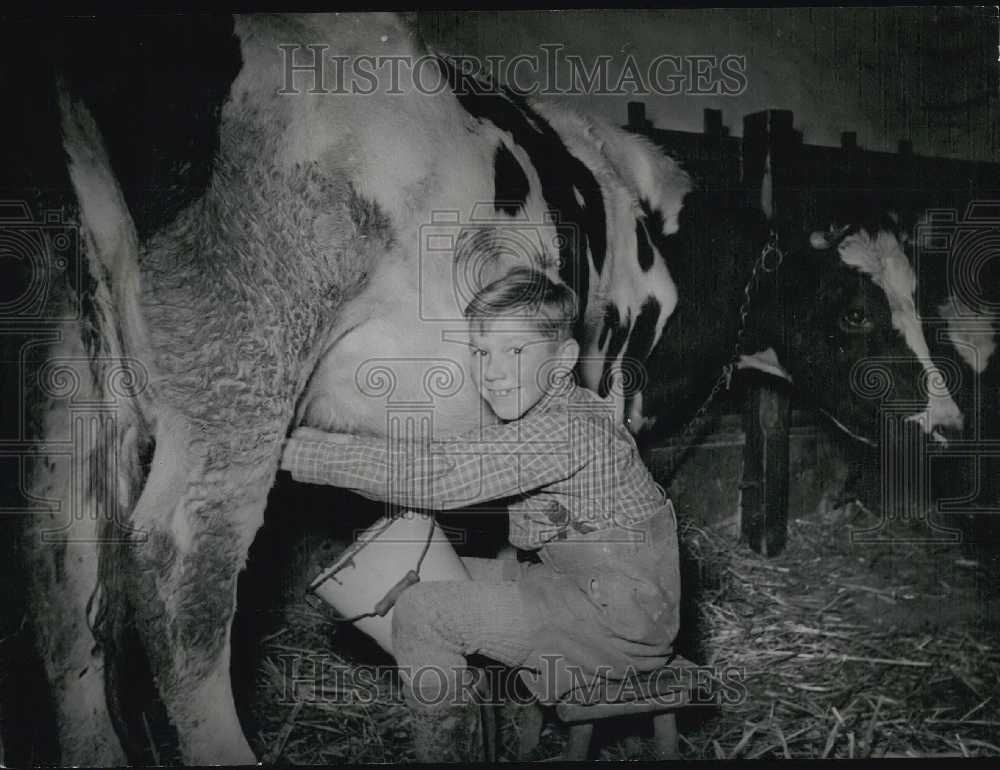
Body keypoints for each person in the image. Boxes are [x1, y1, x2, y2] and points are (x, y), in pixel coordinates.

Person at [281, 267, 681, 762]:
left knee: (422, 612)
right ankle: (471, 719)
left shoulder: (567, 432)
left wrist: (294, 451)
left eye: (513, 352)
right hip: (589, 592)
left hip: (620, 628)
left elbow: (441, 477)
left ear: (562, 361)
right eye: (480, 351)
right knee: (434, 575)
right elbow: (457, 456)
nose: (490, 371)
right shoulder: (547, 414)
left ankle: (450, 753)